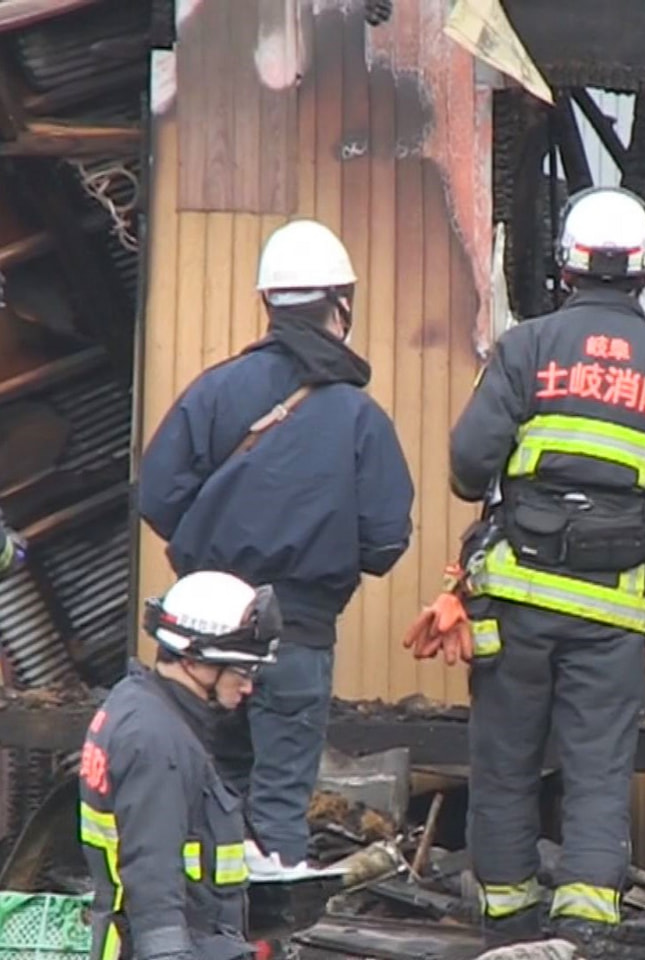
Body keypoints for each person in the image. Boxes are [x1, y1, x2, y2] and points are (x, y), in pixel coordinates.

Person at [446, 185, 645, 950]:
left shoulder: (525, 349)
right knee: (600, 771)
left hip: (517, 604)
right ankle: (583, 926)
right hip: (613, 617)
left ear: (567, 270)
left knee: (504, 764)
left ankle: (507, 924)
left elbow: (469, 470)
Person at [137, 218, 415, 871]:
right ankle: (267, 938)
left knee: (200, 798)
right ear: (341, 304)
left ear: (268, 303)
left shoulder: (213, 392)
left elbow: (157, 497)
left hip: (200, 638)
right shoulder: (359, 418)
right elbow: (384, 543)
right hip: (297, 635)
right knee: (280, 806)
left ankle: (197, 932)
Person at [79, 571, 282, 960]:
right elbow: (150, 873)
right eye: (241, 671)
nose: (248, 686)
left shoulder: (143, 706)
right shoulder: (156, 740)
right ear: (195, 658)